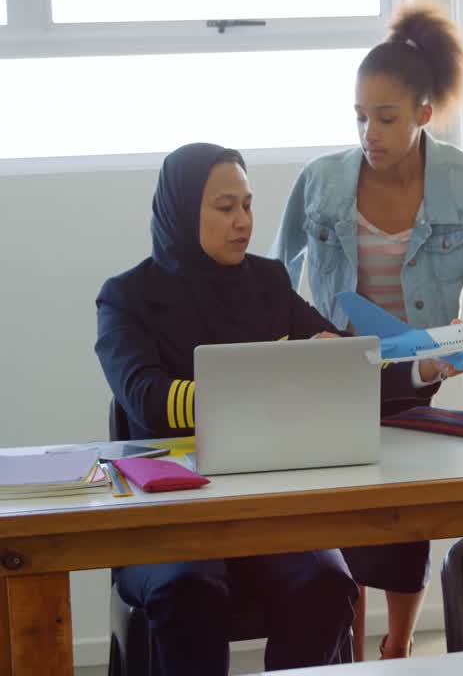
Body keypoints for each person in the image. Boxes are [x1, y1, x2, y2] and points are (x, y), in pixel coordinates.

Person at [95, 143, 437, 672]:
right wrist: (282, 367)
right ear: (184, 211)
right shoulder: (126, 297)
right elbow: (148, 402)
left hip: (265, 512)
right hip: (168, 520)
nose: (243, 222)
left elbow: (341, 366)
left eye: (248, 205)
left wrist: (426, 366)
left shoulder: (268, 282)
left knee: (327, 584)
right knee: (191, 591)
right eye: (225, 207)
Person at [268, 0, 463, 658]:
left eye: (385, 117)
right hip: (336, 372)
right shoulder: (322, 182)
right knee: (348, 512)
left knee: (404, 514)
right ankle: (349, 651)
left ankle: (399, 645)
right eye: (359, 116)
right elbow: (273, 280)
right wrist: (280, 356)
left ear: (422, 114)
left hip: (416, 371)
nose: (369, 133)